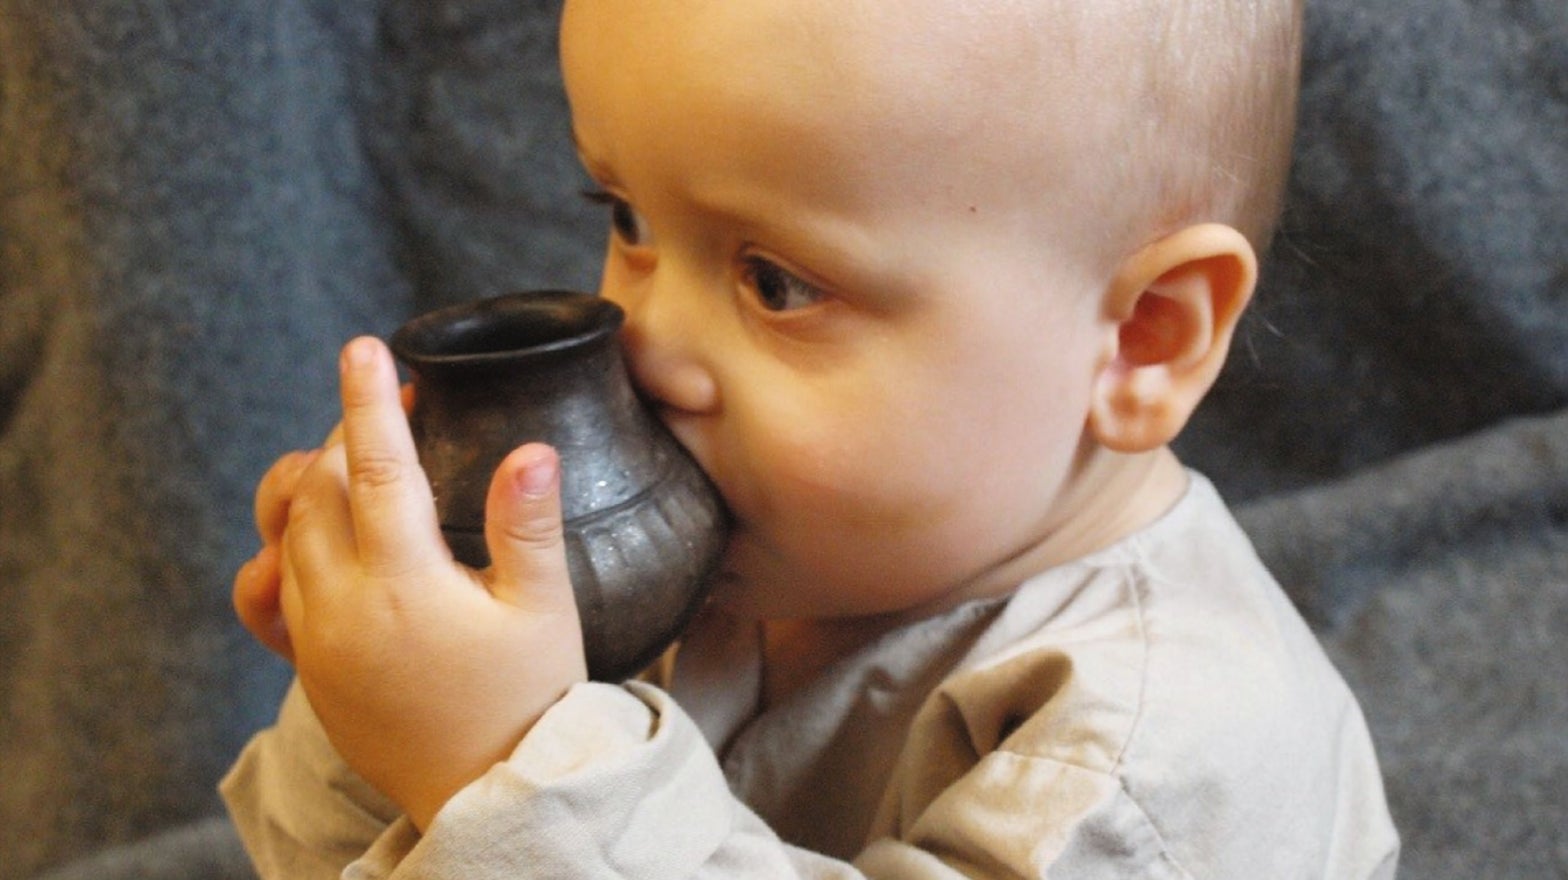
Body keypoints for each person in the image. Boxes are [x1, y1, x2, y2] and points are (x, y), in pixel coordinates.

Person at [221, 0, 1400, 876]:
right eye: (624, 219)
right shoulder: (746, 556)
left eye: (777, 282)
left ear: (1139, 338)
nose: (642, 340)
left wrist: (510, 763)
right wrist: (376, 710)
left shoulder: (1164, 764)